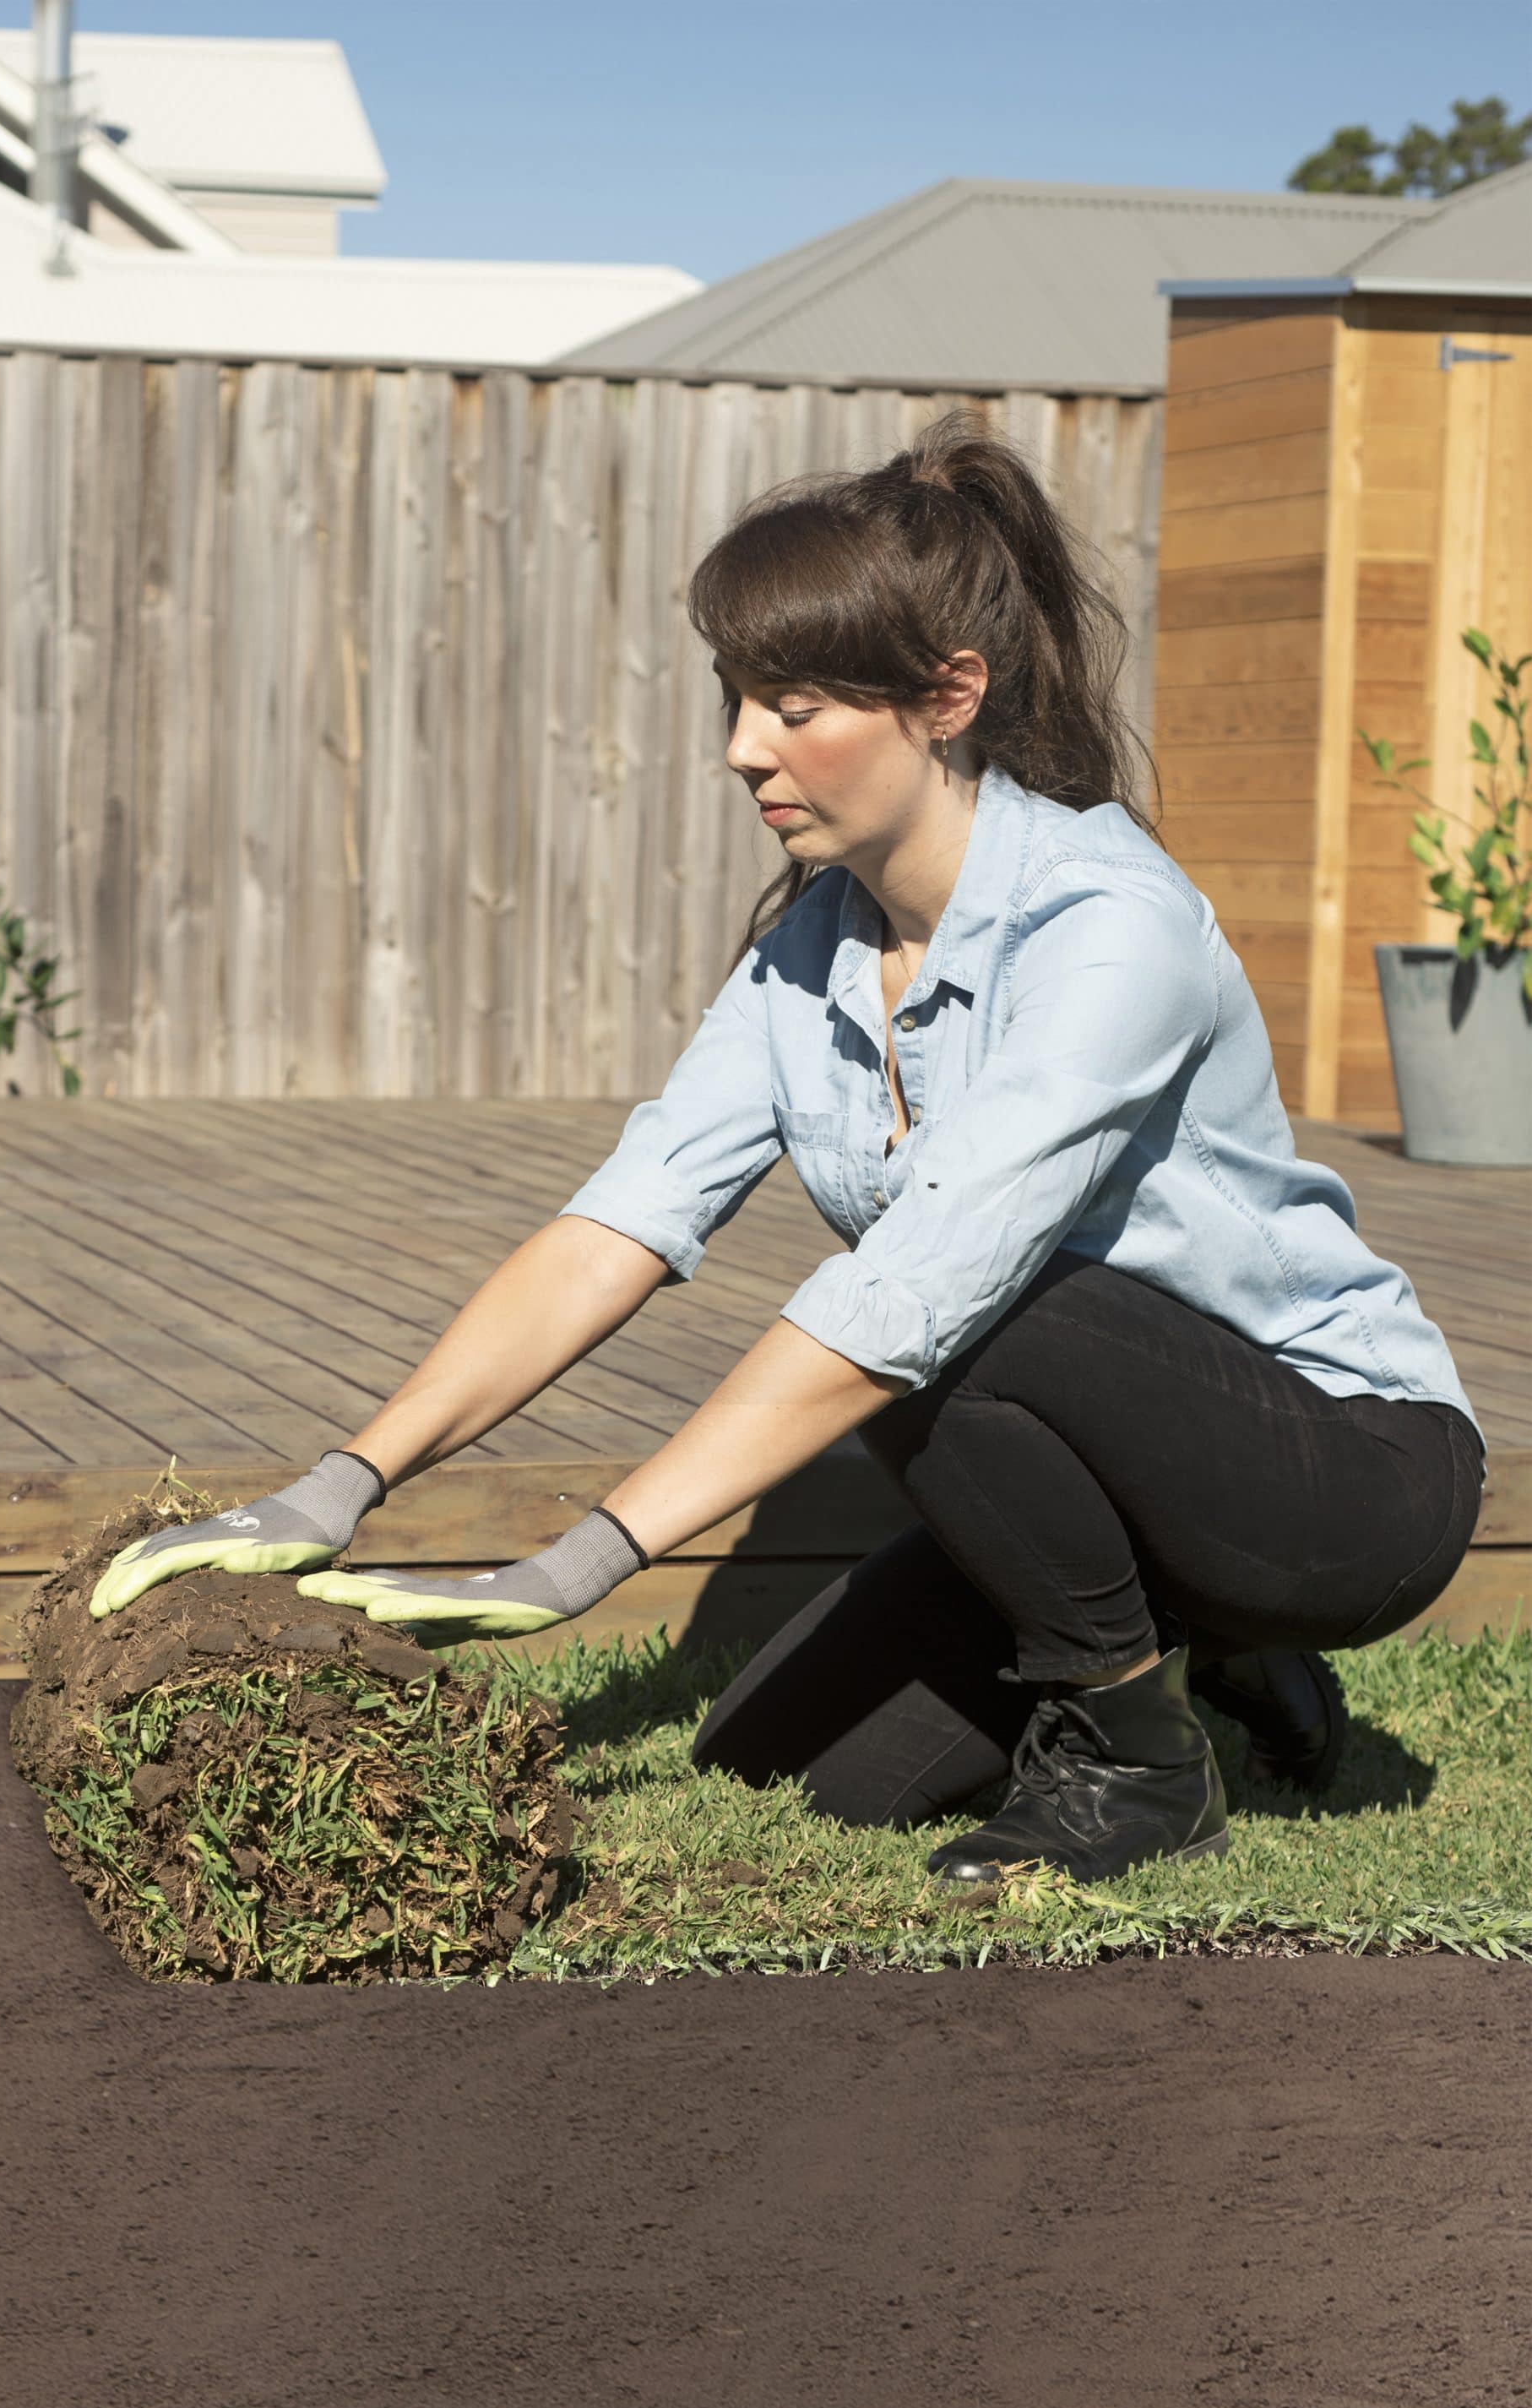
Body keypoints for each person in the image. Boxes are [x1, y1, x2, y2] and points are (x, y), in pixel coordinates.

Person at [90, 413, 1485, 1887]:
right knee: (791, 1766)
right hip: (1093, 1431)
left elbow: (917, 1291)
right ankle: (1210, 1660)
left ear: (947, 697)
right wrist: (341, 1483)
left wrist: (578, 1564)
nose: (743, 747)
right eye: (739, 698)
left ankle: (1147, 1766)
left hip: (1338, 1473)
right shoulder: (814, 948)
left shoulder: (1109, 925)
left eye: (798, 704)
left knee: (938, 1298)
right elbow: (617, 1225)